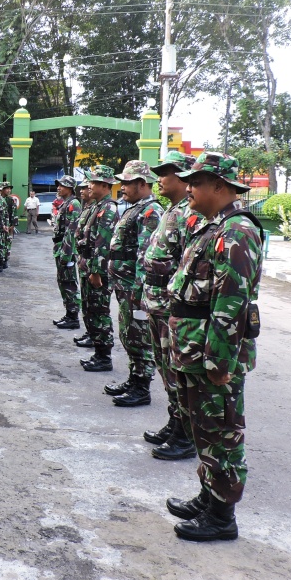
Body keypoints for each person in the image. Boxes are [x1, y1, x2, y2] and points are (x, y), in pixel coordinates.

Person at [165, 151, 263, 542]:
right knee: (202, 427)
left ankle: (222, 517)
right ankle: (209, 497)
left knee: (222, 431)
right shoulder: (214, 227)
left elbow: (231, 303)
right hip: (193, 349)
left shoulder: (237, 231)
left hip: (212, 355)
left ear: (219, 187)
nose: (188, 188)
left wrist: (218, 360)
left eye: (197, 182)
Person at [141, 151, 200, 460]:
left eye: (166, 173)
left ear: (182, 178)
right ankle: (174, 421)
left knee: (177, 372)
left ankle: (185, 434)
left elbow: (189, 264)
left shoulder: (192, 216)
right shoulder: (172, 210)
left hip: (171, 306)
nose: (160, 179)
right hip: (158, 303)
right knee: (166, 370)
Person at [104, 160, 164, 407]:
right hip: (124, 285)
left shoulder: (151, 211)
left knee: (139, 337)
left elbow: (145, 254)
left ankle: (142, 387)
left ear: (142, 183)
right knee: (128, 334)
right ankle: (133, 378)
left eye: (127, 182)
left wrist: (140, 291)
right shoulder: (134, 207)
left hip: (134, 288)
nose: (123, 187)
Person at [73, 166, 119, 372]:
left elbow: (103, 243)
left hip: (96, 270)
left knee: (100, 311)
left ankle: (104, 357)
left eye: (93, 182)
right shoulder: (96, 206)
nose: (89, 186)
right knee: (91, 309)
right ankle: (97, 350)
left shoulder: (108, 208)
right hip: (88, 266)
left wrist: (96, 272)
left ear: (105, 185)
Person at [51, 175, 82, 329]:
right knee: (63, 282)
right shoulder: (66, 203)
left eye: (62, 185)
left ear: (70, 188)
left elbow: (72, 231)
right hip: (61, 248)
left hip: (66, 251)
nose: (58, 188)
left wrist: (66, 254)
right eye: (58, 185)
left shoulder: (74, 204)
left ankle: (73, 317)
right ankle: (69, 314)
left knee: (69, 283)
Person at [1, 182, 19, 266]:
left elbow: (14, 212)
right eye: (7, 188)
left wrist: (13, 225)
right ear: (2, 189)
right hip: (0, 224)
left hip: (8, 225)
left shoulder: (11, 200)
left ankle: (5, 259)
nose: (9, 190)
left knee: (8, 241)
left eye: (9, 188)